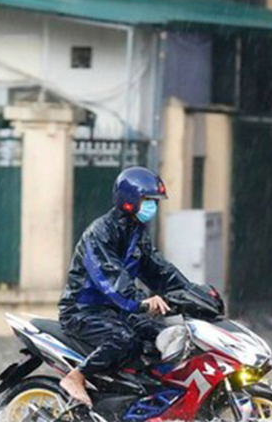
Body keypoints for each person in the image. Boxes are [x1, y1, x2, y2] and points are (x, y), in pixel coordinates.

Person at [58, 166, 193, 406]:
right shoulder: (99, 233)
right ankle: (75, 377)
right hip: (82, 311)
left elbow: (158, 269)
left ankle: (135, 396)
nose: (153, 206)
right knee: (122, 338)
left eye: (155, 201)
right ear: (130, 200)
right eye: (148, 200)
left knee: (160, 335)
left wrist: (192, 293)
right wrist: (140, 301)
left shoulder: (136, 233)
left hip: (115, 311)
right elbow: (110, 277)